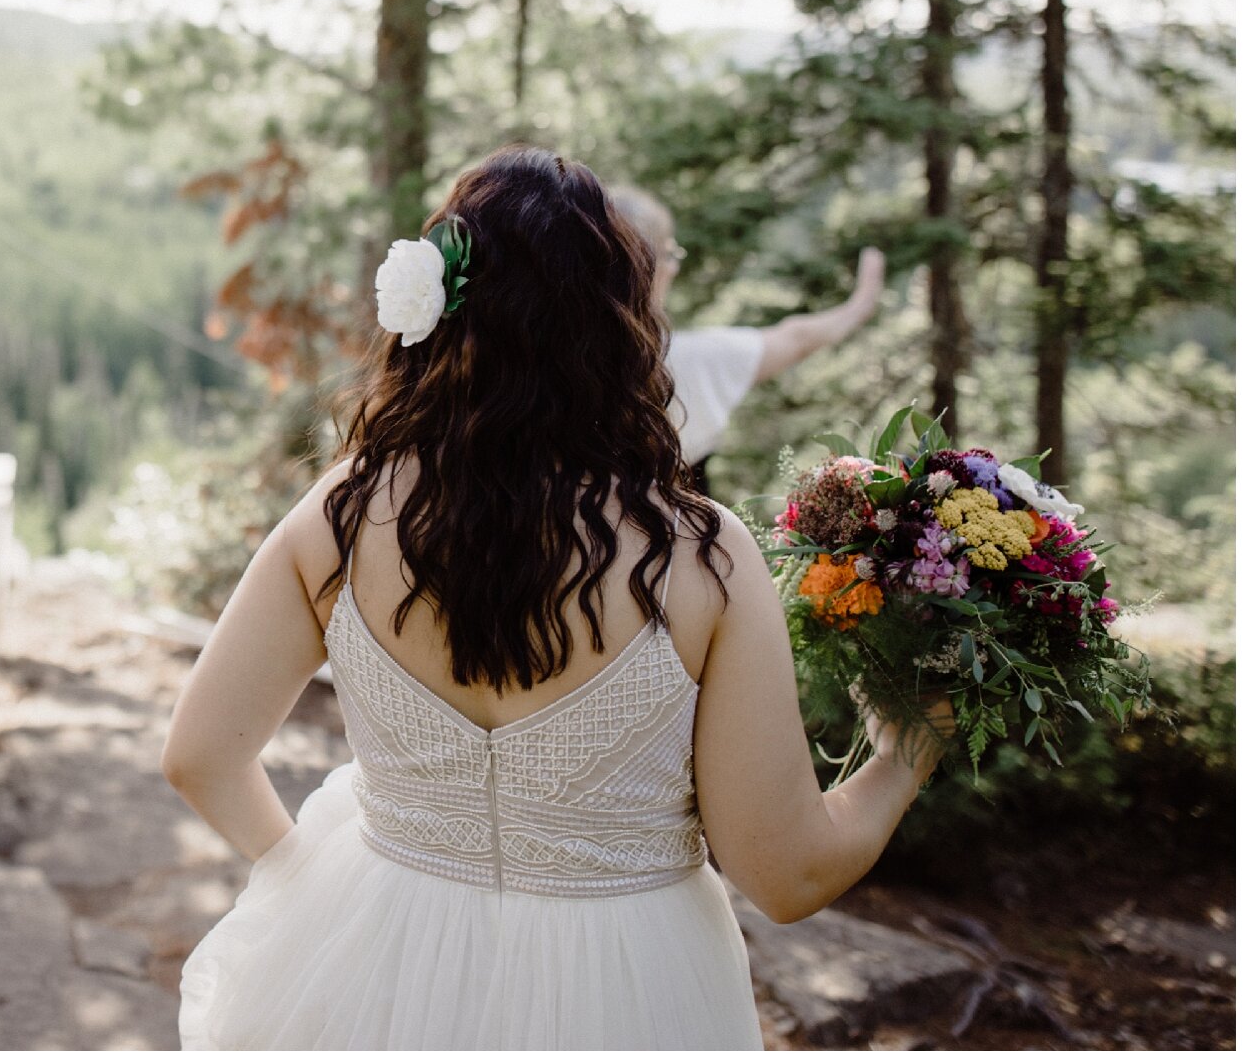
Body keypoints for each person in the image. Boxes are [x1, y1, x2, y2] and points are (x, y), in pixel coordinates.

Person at [165, 147, 948, 1048]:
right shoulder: (702, 556)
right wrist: (905, 754)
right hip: (628, 980)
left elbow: (200, 758)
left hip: (373, 951)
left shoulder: (339, 514)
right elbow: (787, 877)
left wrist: (308, 880)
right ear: (620, 325)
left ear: (440, 310)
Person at [607, 184, 887, 496]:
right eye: (670, 253)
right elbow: (796, 339)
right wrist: (859, 305)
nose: (674, 267)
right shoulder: (685, 361)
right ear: (648, 264)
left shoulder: (557, 364)